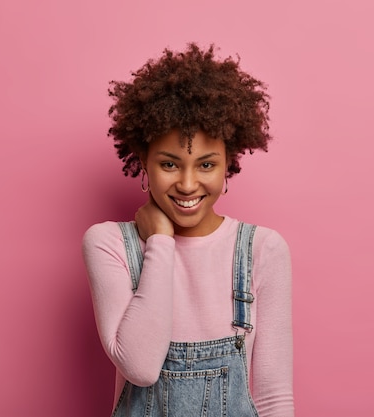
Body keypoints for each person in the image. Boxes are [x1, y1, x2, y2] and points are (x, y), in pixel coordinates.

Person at [82, 43, 293, 417]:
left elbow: (274, 397)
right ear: (143, 162)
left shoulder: (263, 249)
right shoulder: (110, 244)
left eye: (207, 165)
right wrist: (160, 241)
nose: (188, 183)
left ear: (228, 165)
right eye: (169, 164)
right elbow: (141, 367)